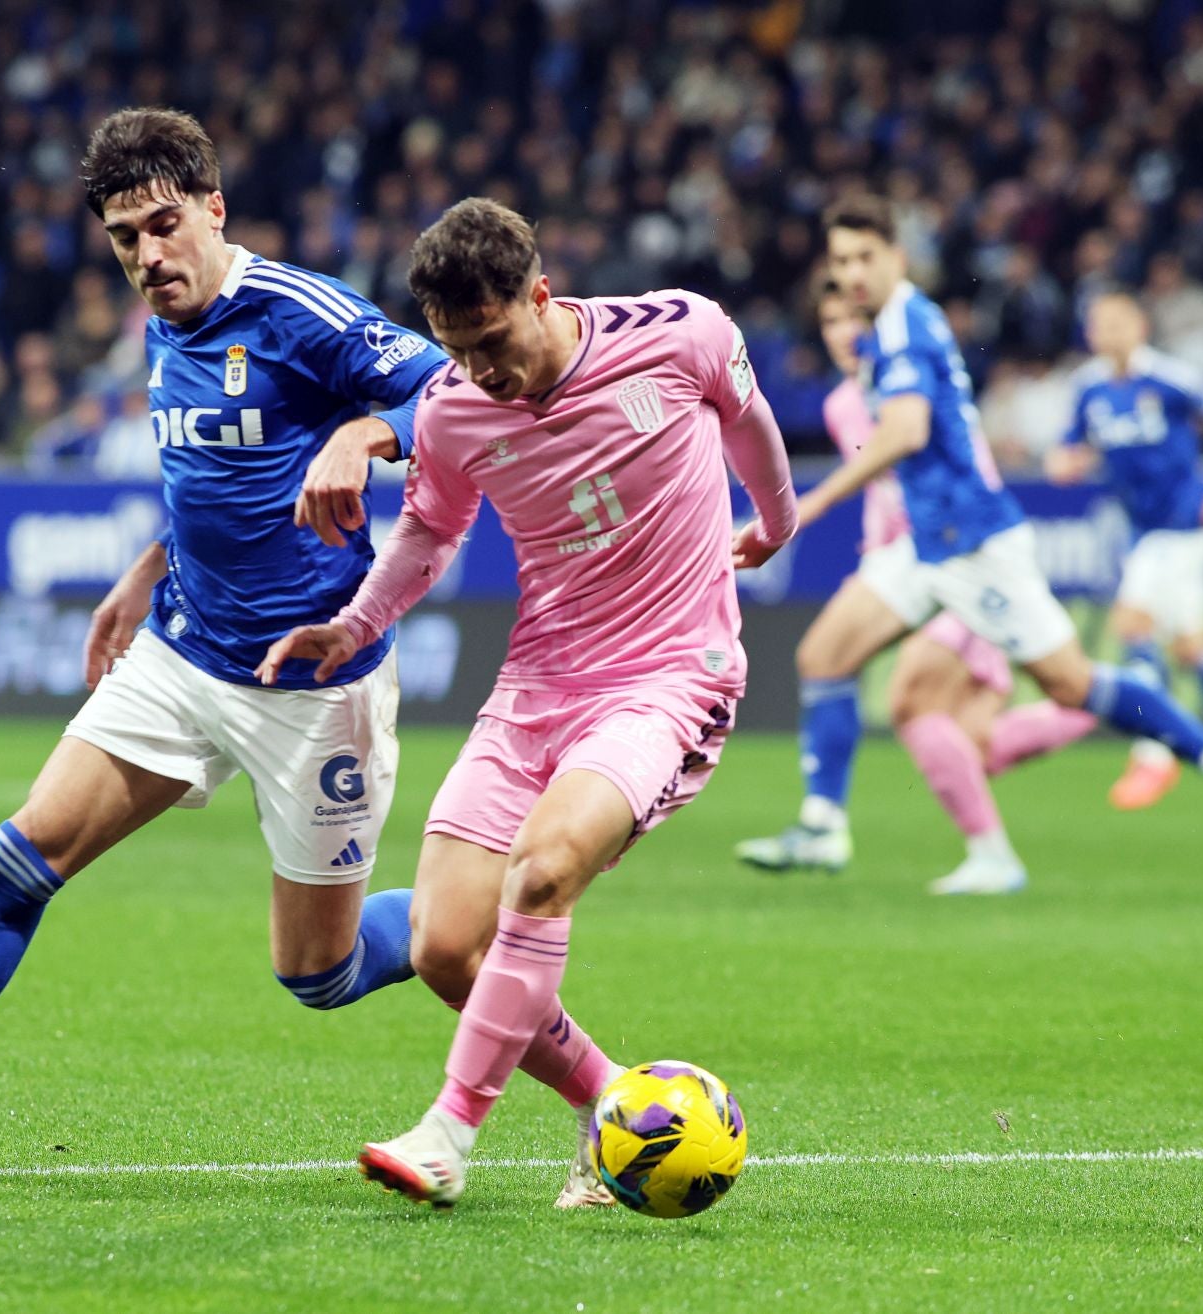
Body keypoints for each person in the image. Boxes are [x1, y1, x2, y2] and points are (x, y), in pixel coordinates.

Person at [0, 107, 448, 1177]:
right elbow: (218, 478)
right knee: (23, 856)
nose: (148, 257)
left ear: (214, 208)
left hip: (312, 684)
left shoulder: (301, 312)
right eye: (123, 240)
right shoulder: (165, 319)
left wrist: (366, 429)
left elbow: (461, 392)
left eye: (164, 226)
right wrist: (148, 568)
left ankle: (467, 910)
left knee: (318, 975)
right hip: (181, 652)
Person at [256, 197, 799, 1208]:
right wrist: (355, 629)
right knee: (442, 943)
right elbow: (428, 535)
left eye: (494, 340)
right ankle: (616, 1113)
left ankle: (447, 1134)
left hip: (669, 680)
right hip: (538, 685)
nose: (480, 370)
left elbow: (751, 423)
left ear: (539, 293)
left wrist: (774, 521)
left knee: (543, 873)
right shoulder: (458, 413)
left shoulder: (679, 334)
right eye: (457, 351)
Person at [734, 197, 1203, 885]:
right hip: (924, 542)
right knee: (823, 657)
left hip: (973, 542)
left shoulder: (905, 328)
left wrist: (802, 508)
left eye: (865, 257)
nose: (853, 273)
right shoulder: (888, 333)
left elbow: (905, 433)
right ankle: (823, 828)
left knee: (1072, 683)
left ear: (898, 257)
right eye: (841, 261)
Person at [738, 283, 1096, 892]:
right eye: (829, 322)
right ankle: (1114, 705)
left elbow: (960, 472)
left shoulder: (911, 385)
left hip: (960, 556)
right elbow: (886, 488)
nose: (842, 333)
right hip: (905, 567)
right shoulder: (842, 403)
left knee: (911, 701)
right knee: (972, 746)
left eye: (853, 318)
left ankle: (859, 830)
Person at [1048, 291, 1203, 811]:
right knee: (1190, 647)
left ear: (1140, 325)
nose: (1107, 331)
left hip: (1183, 522)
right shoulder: (1089, 387)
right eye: (1097, 322)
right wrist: (1065, 463)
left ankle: (1154, 755)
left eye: (1117, 321)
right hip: (1141, 528)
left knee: (1132, 624)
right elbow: (1070, 447)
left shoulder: (1168, 377)